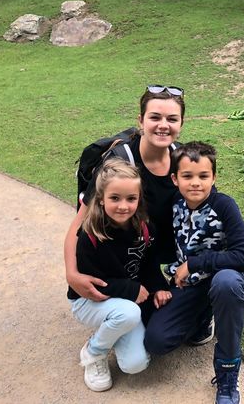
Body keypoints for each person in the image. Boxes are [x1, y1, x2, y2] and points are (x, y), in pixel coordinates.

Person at [144, 142, 244, 404]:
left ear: (213, 177)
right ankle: (206, 315)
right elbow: (156, 246)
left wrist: (195, 263)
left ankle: (227, 374)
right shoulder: (175, 204)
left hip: (227, 275)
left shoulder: (224, 205)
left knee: (226, 285)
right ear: (175, 179)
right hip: (191, 283)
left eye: (203, 176)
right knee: (157, 341)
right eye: (187, 176)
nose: (196, 183)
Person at [65, 85, 186, 304]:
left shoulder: (182, 156)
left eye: (172, 119)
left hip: (167, 250)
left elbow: (208, 207)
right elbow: (79, 224)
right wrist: (72, 275)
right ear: (141, 120)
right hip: (131, 255)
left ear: (181, 123)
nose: (163, 125)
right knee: (139, 318)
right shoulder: (119, 162)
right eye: (155, 117)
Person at [68, 158, 172, 392]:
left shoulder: (145, 228)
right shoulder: (90, 235)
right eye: (115, 198)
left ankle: (113, 329)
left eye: (131, 198)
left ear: (139, 199)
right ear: (101, 199)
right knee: (129, 313)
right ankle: (94, 351)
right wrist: (131, 290)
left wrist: (158, 287)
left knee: (136, 364)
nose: (123, 206)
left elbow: (149, 264)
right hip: (88, 300)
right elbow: (92, 285)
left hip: (124, 302)